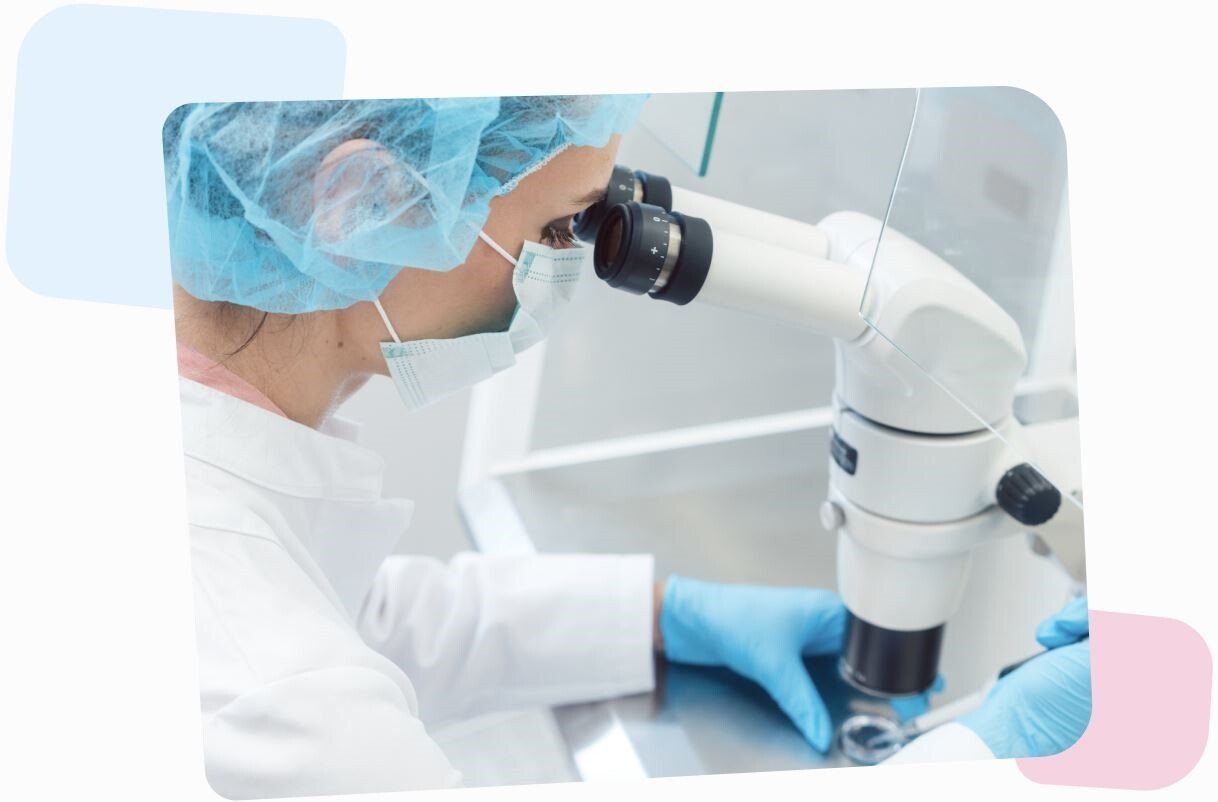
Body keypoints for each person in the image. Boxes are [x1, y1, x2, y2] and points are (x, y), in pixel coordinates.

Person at [165, 97, 1091, 798]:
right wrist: (976, 758)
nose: (571, 263)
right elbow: (303, 669)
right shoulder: (274, 698)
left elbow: (358, 616)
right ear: (362, 202)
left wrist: (658, 615)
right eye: (559, 226)